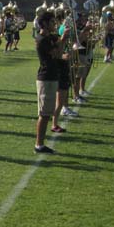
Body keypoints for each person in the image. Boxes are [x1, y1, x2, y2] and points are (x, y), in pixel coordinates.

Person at [34, 10, 67, 154]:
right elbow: (58, 53)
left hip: (52, 77)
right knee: (44, 114)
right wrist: (63, 40)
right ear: (45, 24)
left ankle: (40, 144)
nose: (55, 24)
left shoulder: (50, 37)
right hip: (46, 78)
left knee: (47, 112)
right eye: (52, 22)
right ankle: (39, 145)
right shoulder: (42, 39)